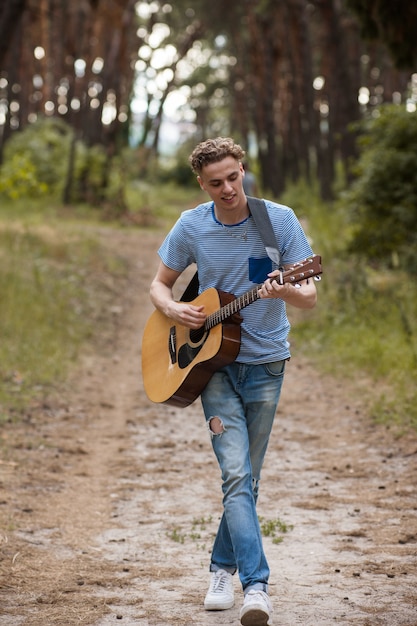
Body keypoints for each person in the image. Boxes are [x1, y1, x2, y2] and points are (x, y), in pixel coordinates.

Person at [148, 137, 317, 626]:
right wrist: (171, 307)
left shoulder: (278, 220)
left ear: (243, 169)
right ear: (201, 184)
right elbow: (158, 283)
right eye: (215, 182)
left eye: (233, 177)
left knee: (249, 476)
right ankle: (257, 587)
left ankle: (220, 569)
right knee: (237, 474)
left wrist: (285, 286)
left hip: (266, 363)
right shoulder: (192, 224)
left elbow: (308, 296)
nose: (227, 189)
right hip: (213, 366)